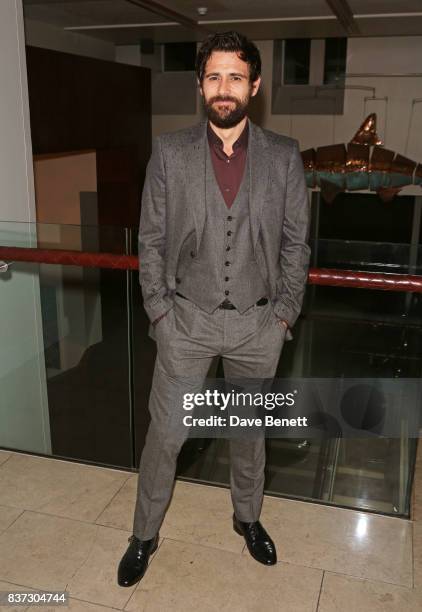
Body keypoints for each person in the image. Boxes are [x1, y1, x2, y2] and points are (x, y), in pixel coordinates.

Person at [118, 30, 311, 587]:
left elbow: (297, 242)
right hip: (186, 322)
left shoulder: (284, 156)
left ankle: (247, 519)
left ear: (255, 85)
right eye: (213, 77)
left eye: (234, 77)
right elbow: (150, 240)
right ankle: (144, 533)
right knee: (167, 434)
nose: (223, 88)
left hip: (258, 322)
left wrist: (284, 314)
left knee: (249, 431)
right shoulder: (170, 152)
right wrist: (159, 312)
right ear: (201, 86)